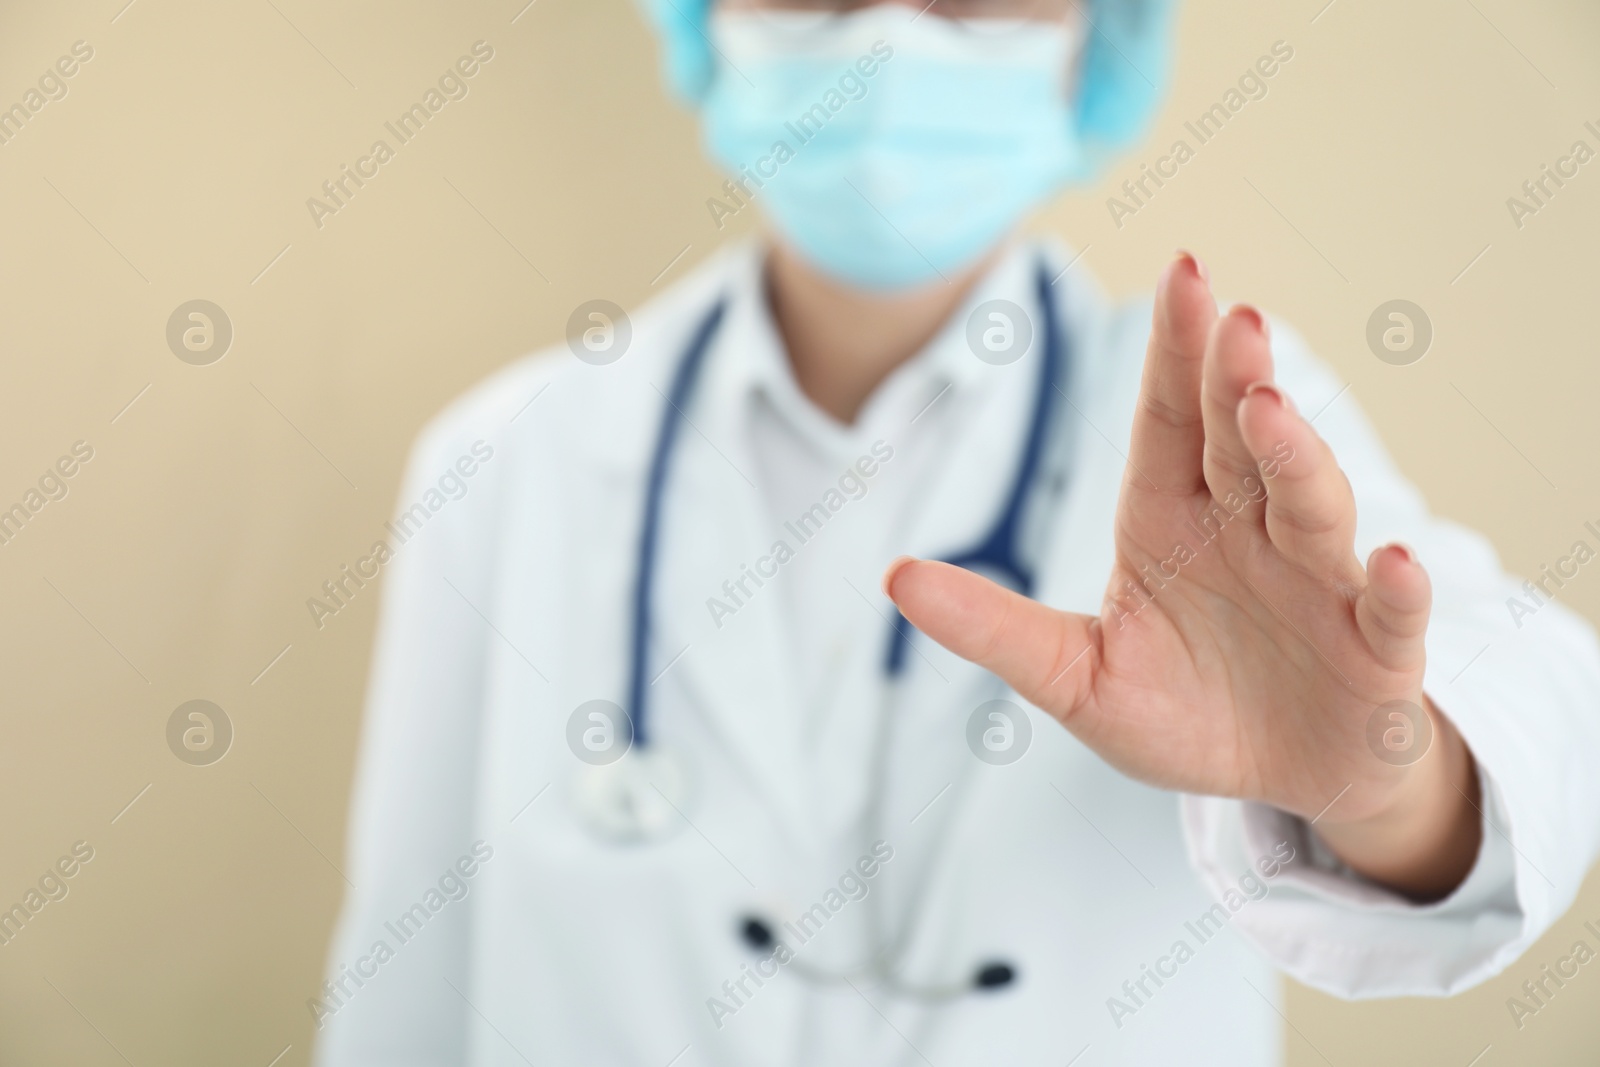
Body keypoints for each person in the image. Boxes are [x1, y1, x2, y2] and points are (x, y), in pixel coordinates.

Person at [315, 1, 1600, 1064]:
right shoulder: (504, 462)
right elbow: (400, 996)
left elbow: (1524, 691)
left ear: (1095, 40)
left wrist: (1383, 776)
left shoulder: (1227, 430)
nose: (890, 38)